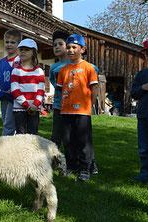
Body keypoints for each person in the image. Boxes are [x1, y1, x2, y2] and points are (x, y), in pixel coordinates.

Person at [49, 31, 99, 175]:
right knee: (64, 137)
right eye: (55, 45)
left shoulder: (87, 67)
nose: (58, 47)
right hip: (62, 107)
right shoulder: (57, 69)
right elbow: (58, 86)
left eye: (61, 44)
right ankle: (68, 165)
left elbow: (93, 83)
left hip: (81, 108)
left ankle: (88, 165)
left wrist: (90, 102)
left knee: (83, 138)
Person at [10, 38, 45, 135]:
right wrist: (26, 105)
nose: (23, 52)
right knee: (20, 135)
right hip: (19, 108)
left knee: (33, 135)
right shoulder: (16, 71)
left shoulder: (39, 71)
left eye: (27, 49)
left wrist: (35, 105)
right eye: (21, 49)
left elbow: (41, 90)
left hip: (34, 108)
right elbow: (15, 90)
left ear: (33, 52)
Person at [131, 36, 148, 183]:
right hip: (144, 115)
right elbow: (133, 93)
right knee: (144, 147)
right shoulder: (142, 74)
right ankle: (145, 172)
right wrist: (143, 87)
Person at [0, 29, 22, 136]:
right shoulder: (2, 61)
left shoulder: (20, 60)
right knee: (5, 121)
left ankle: (4, 147)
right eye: (7, 42)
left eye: (13, 42)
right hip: (3, 95)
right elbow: (2, 77)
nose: (9, 45)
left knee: (8, 124)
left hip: (15, 97)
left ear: (18, 44)